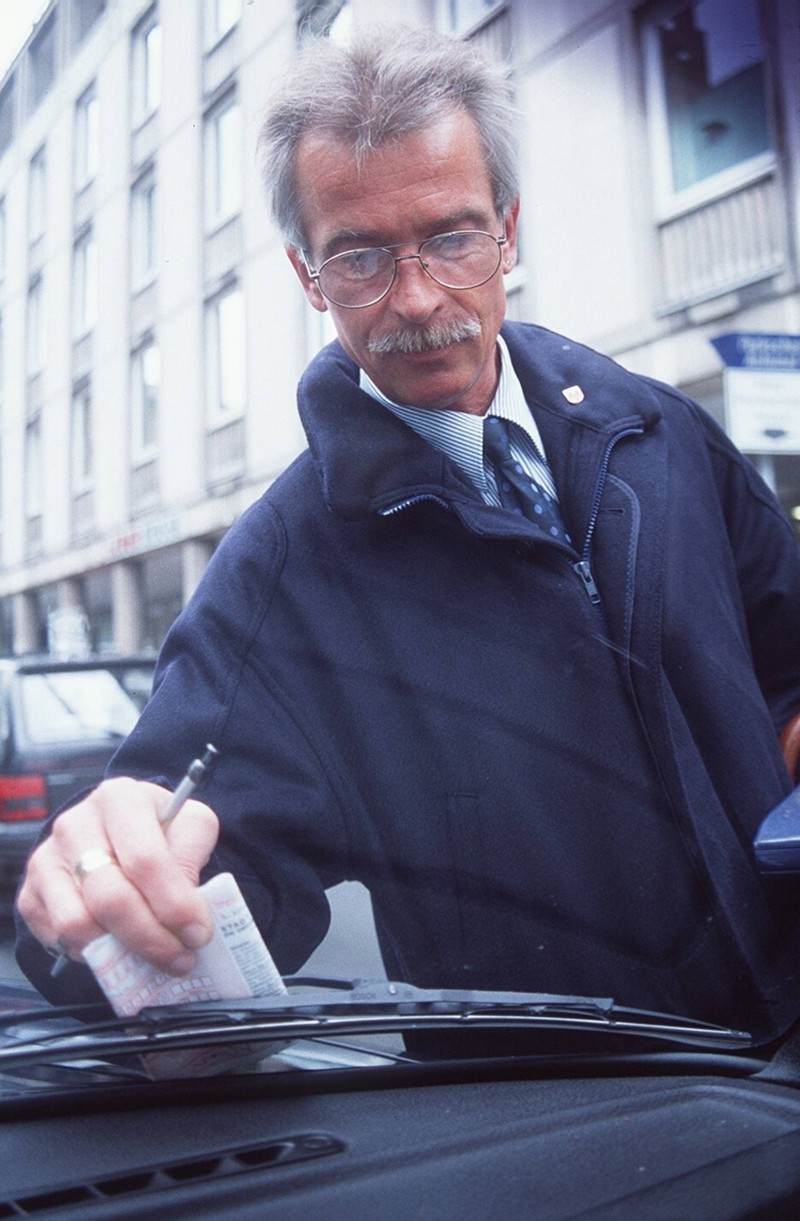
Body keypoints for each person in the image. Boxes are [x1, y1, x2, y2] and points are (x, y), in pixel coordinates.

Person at [15, 26, 800, 1044]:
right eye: (361, 257)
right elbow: (195, 875)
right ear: (307, 276)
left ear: (507, 229)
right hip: (571, 1127)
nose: (417, 296)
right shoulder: (278, 575)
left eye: (451, 236)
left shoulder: (660, 435)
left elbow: (781, 669)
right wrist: (100, 899)